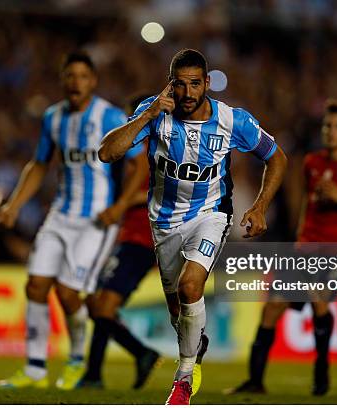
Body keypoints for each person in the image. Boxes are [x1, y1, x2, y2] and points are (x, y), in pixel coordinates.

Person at [98, 49, 288, 404]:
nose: (187, 93)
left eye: (195, 84)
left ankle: (184, 376)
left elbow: (276, 158)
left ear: (208, 84)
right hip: (164, 223)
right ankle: (194, 343)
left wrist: (260, 206)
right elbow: (107, 152)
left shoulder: (233, 121)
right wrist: (149, 114)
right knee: (178, 311)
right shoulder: (156, 113)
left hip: (211, 215)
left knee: (190, 287)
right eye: (180, 85)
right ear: (171, 84)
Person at [0, 52, 145, 390]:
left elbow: (140, 164)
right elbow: (39, 164)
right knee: (35, 286)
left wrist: (120, 206)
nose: (76, 82)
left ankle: (76, 359)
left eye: (82, 76)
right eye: (70, 76)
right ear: (63, 80)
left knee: (68, 292)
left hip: (96, 219)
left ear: (93, 81)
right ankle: (34, 367)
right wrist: (14, 204)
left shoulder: (109, 116)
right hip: (60, 213)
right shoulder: (53, 117)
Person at [227, 99, 337, 396]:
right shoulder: (312, 163)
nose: (331, 132)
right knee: (272, 308)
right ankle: (255, 380)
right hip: (305, 249)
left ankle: (321, 370)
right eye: (327, 126)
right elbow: (305, 208)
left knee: (318, 296)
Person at [77, 95, 162, 390]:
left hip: (143, 240)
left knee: (102, 307)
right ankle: (94, 374)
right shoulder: (136, 151)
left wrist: (121, 205)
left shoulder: (156, 151)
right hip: (128, 236)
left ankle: (141, 354)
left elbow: (157, 194)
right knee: (101, 306)